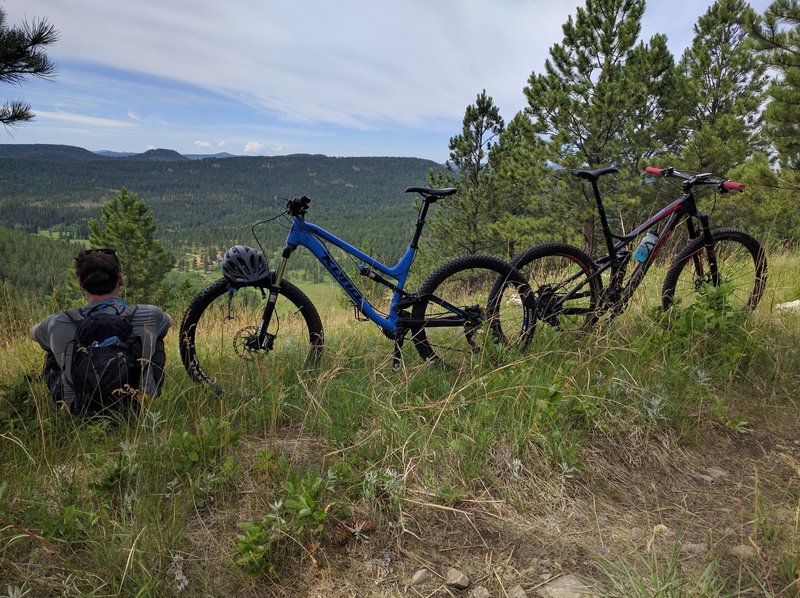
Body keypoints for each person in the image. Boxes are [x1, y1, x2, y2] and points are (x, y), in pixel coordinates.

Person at [31, 248, 173, 415]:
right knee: (156, 338)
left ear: (81, 284)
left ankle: (67, 402)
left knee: (51, 350)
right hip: (137, 406)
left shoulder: (60, 322)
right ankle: (148, 394)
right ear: (120, 280)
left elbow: (32, 332)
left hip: (77, 411)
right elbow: (170, 321)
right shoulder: (149, 314)